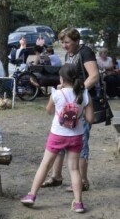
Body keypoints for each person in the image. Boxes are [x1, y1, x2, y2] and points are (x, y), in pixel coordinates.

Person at [21, 64, 92, 213]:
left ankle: (32, 195)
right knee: (74, 169)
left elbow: (48, 111)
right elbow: (90, 118)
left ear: (61, 78)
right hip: (76, 136)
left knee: (45, 165)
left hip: (57, 135)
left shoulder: (56, 94)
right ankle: (78, 203)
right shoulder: (84, 94)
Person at [42, 28, 99, 192]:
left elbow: (94, 76)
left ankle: (83, 181)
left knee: (81, 143)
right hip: (69, 104)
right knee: (61, 136)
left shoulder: (85, 52)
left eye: (67, 42)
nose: (64, 45)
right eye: (62, 42)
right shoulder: (69, 55)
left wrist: (77, 91)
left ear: (76, 40)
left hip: (81, 103)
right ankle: (56, 176)